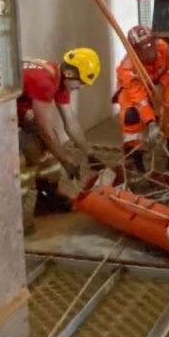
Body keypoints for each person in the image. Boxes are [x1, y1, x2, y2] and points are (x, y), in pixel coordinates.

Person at [17, 48, 102, 234]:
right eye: (80, 82)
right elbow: (44, 127)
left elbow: (70, 122)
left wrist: (89, 153)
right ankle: (17, 217)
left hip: (14, 113)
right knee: (27, 152)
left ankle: (47, 196)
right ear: (71, 73)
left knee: (46, 143)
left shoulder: (58, 79)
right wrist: (65, 160)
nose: (80, 87)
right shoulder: (45, 81)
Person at [115, 25, 169, 172]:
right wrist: (151, 123)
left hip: (159, 85)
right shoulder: (127, 68)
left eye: (151, 44)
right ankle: (135, 159)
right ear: (134, 51)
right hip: (133, 92)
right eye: (144, 48)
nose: (150, 51)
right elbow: (139, 99)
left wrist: (162, 85)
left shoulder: (163, 47)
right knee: (131, 115)